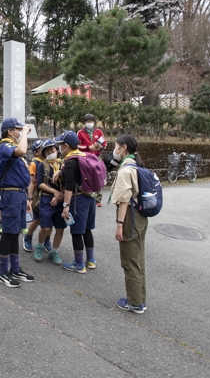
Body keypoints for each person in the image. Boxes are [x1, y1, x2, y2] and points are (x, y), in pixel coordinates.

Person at [0, 117, 35, 288]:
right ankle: (3, 271)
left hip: (18, 194)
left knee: (15, 232)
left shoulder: (12, 146)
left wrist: (26, 197)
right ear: (10, 132)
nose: (20, 131)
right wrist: (25, 133)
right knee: (8, 232)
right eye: (17, 129)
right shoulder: (5, 146)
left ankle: (15, 268)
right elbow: (22, 150)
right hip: (9, 195)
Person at [109, 134, 148, 314]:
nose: (114, 150)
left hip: (130, 218)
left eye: (116, 146)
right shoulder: (135, 165)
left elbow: (124, 200)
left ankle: (134, 303)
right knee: (138, 259)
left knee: (130, 260)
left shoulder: (126, 170)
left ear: (123, 148)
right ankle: (139, 298)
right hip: (140, 216)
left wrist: (119, 225)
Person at [55, 130, 97, 273]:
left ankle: (79, 264)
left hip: (78, 200)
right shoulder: (84, 156)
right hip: (90, 198)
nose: (59, 148)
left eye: (61, 145)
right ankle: (91, 260)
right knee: (87, 229)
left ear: (66, 146)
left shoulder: (70, 162)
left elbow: (68, 187)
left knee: (76, 232)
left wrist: (65, 206)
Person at [33, 139, 65, 265]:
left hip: (61, 199)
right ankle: (39, 247)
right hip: (46, 199)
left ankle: (54, 251)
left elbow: (67, 183)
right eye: (48, 151)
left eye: (53, 149)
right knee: (45, 227)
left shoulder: (63, 165)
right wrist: (54, 192)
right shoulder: (43, 165)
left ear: (57, 150)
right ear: (45, 153)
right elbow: (40, 183)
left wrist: (59, 196)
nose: (52, 152)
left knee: (60, 228)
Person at [23, 140, 51, 253]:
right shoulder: (35, 163)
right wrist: (30, 198)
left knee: (51, 219)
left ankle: (47, 240)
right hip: (38, 194)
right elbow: (31, 182)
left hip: (49, 193)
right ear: (36, 152)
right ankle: (28, 237)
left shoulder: (50, 161)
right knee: (37, 219)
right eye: (41, 148)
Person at [77, 113, 107, 207]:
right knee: (87, 177)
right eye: (87, 121)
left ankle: (98, 199)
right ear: (85, 122)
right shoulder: (80, 132)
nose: (89, 123)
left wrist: (100, 146)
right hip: (85, 157)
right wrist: (88, 147)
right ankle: (89, 195)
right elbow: (77, 145)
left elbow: (104, 143)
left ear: (94, 122)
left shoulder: (98, 132)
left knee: (99, 176)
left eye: (91, 121)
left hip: (96, 157)